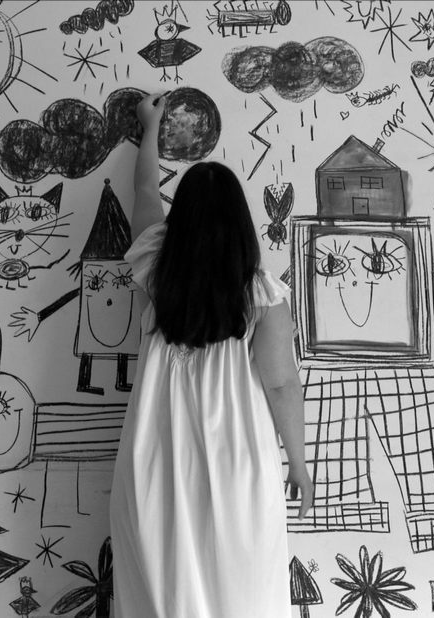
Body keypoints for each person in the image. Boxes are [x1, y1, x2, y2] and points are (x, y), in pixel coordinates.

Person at [110, 92, 314, 618]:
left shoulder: (155, 270)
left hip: (154, 460)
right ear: (241, 224)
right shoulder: (261, 295)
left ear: (181, 221)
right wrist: (298, 462)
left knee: (161, 596)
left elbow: (143, 190)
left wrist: (151, 126)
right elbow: (281, 384)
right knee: (241, 596)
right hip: (238, 464)